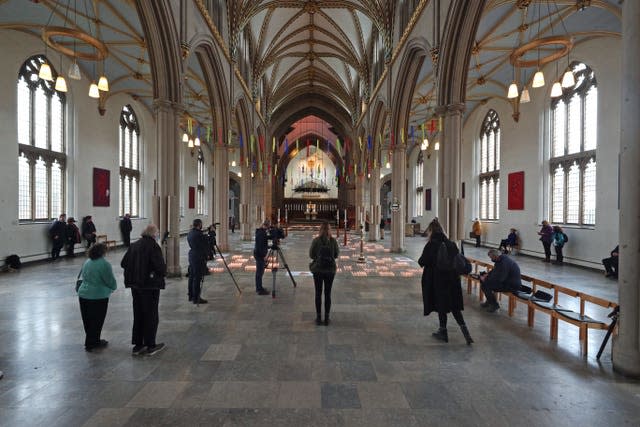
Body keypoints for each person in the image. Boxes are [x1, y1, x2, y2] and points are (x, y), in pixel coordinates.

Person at [418, 219, 473, 344]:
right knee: (454, 307)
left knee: (441, 305)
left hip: (438, 280)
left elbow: (422, 261)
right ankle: (466, 333)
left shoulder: (432, 244)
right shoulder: (451, 244)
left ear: (431, 231)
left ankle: (443, 331)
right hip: (453, 280)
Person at [121, 224, 167, 356]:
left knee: (138, 313)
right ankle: (150, 345)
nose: (157, 234)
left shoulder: (134, 245)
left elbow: (123, 263)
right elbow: (160, 268)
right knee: (151, 314)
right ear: (153, 234)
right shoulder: (153, 246)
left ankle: (138, 345)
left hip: (135, 286)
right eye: (157, 233)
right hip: (149, 286)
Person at [77, 243, 117, 352]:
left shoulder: (87, 262)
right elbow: (109, 280)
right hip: (98, 296)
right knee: (97, 320)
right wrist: (113, 287)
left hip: (83, 294)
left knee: (88, 320)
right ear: (102, 252)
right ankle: (91, 343)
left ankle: (93, 340)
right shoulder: (104, 264)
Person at [309, 221, 340, 325]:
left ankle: (318, 318)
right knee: (328, 294)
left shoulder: (316, 240)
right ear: (329, 230)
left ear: (320, 229)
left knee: (318, 293)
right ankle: (326, 318)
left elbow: (311, 255)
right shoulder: (333, 241)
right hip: (330, 270)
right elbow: (336, 255)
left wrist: (318, 258)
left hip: (318, 269)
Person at [187, 219, 209, 304]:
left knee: (192, 276)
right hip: (198, 257)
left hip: (192, 255)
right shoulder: (199, 234)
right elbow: (207, 242)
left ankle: (191, 296)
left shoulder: (190, 233)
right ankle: (196, 298)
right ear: (199, 225)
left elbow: (200, 236)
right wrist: (211, 233)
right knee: (197, 278)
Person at [253, 219, 271, 295]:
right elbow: (260, 246)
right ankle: (259, 289)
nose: (268, 229)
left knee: (260, 272)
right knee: (259, 273)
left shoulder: (261, 232)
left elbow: (263, 242)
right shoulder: (261, 233)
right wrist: (263, 256)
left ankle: (260, 287)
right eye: (268, 226)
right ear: (266, 225)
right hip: (259, 255)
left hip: (259, 254)